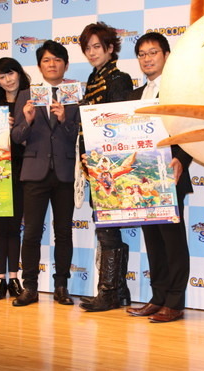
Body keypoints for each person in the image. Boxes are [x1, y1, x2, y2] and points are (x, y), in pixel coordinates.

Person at [126, 32, 192, 323]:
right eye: (142, 54)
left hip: (170, 175)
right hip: (142, 179)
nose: (147, 59)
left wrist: (182, 160)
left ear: (166, 55)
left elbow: (190, 130)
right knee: (153, 242)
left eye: (153, 52)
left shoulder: (179, 92)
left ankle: (175, 302)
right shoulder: (134, 95)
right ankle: (158, 297)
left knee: (172, 242)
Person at [10, 40, 80, 307]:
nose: (52, 64)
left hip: (64, 173)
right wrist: (27, 120)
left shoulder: (74, 94)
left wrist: (64, 120)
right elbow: (16, 137)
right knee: (31, 234)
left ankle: (61, 286)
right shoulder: (26, 95)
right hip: (34, 172)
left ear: (66, 65)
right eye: (47, 60)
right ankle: (30, 287)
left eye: (57, 60)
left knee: (63, 233)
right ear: (40, 66)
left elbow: (79, 137)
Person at [77, 22, 134, 312]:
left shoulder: (118, 79)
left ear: (110, 48)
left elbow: (116, 124)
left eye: (97, 47)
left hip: (108, 165)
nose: (91, 53)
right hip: (96, 165)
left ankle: (110, 292)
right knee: (105, 228)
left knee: (107, 228)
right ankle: (117, 290)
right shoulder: (93, 79)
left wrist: (99, 159)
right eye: (87, 48)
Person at [0, 57, 30, 301]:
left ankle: (14, 278)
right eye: (2, 76)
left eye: (10, 74)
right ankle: (0, 279)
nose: (8, 80)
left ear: (19, 74)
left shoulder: (30, 100)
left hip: (22, 171)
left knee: (14, 228)